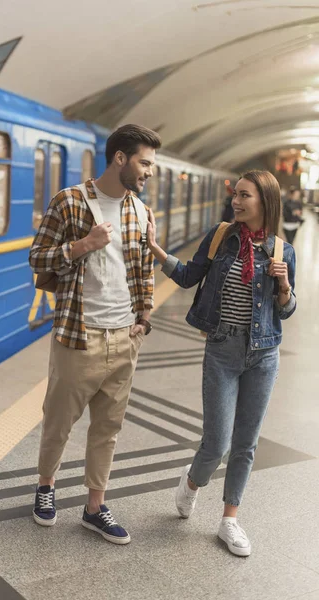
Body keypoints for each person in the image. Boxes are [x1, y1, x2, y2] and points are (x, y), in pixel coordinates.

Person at [146, 170, 296, 557]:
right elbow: (187, 276)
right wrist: (155, 249)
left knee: (245, 444)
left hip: (263, 354)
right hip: (222, 350)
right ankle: (192, 483)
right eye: (236, 195)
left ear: (265, 201)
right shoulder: (221, 237)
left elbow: (287, 310)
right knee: (215, 443)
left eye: (245, 196)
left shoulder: (283, 251)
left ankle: (229, 520)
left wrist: (283, 287)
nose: (237, 201)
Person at [29, 124, 161, 544]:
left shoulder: (140, 210)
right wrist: (83, 245)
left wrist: (143, 318)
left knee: (109, 427)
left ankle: (94, 507)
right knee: (58, 421)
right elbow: (37, 257)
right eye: (144, 162)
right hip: (78, 334)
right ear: (120, 158)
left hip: (124, 336)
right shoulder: (69, 202)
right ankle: (46, 487)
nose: (149, 172)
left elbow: (142, 271)